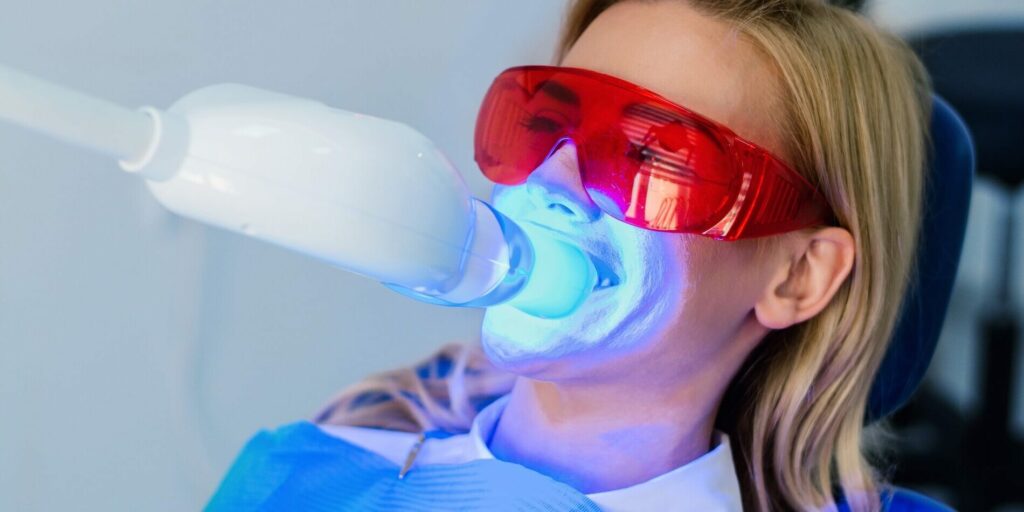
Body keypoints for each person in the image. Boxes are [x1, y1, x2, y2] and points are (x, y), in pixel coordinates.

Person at [208, 0, 931, 510]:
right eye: (545, 120)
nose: (552, 179)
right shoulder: (303, 473)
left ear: (797, 277)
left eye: (651, 155)